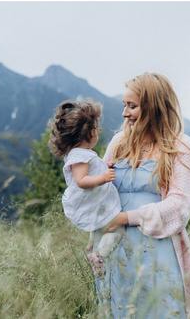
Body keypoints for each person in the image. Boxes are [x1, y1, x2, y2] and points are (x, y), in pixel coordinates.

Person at [97, 73, 190, 318]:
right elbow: (99, 189)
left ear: (152, 107)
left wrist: (126, 217)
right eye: (124, 105)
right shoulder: (119, 142)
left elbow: (180, 204)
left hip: (158, 247)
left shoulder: (180, 145)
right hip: (115, 247)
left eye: (132, 106)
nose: (124, 113)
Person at [53, 99, 123, 267]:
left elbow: (91, 170)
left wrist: (104, 167)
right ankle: (98, 256)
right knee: (118, 230)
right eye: (96, 129)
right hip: (91, 199)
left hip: (94, 202)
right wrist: (103, 178)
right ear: (90, 133)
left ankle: (91, 245)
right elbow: (81, 180)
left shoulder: (81, 153)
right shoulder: (79, 155)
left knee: (97, 220)